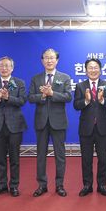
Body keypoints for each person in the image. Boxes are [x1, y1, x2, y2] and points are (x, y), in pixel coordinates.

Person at [28, 48, 72, 197]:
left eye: (52, 58)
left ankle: (60, 185)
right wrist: (42, 95)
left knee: (60, 155)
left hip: (58, 122)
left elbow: (67, 97)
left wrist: (52, 93)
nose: (49, 60)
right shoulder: (36, 78)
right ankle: (42, 185)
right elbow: (30, 98)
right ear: (42, 61)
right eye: (46, 58)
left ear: (57, 60)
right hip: (41, 121)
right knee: (41, 154)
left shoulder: (65, 77)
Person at [0, 56, 27, 197]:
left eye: (7, 66)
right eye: (1, 66)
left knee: (15, 158)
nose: (4, 68)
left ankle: (14, 186)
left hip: (15, 126)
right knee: (0, 159)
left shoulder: (19, 82)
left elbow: (22, 101)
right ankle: (1, 185)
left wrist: (8, 98)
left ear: (12, 68)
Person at [73, 58, 106, 197]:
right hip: (86, 128)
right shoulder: (80, 86)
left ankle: (102, 185)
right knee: (86, 159)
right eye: (90, 68)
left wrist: (102, 100)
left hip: (103, 127)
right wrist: (85, 100)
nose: (93, 70)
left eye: (95, 67)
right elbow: (76, 105)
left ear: (100, 69)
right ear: (86, 70)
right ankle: (87, 185)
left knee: (103, 159)